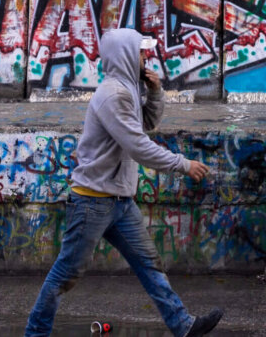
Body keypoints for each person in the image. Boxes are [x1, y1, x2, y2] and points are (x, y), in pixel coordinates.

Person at [25, 29, 223, 337]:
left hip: (119, 201)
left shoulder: (127, 90)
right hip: (92, 201)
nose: (146, 57)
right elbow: (138, 145)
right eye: (141, 52)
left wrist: (155, 92)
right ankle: (35, 334)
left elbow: (145, 125)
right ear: (126, 55)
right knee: (66, 273)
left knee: (149, 265)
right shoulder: (114, 94)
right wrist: (183, 165)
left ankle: (183, 325)